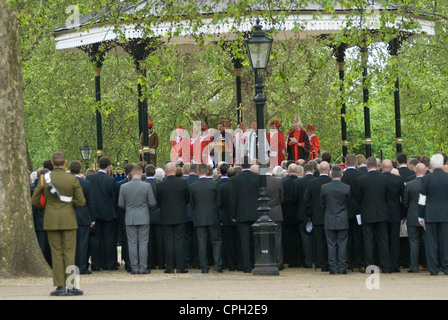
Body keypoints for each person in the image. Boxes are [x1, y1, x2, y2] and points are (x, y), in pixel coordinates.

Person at [31, 151, 86, 296]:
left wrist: (48, 206)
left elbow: (35, 200)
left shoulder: (44, 179)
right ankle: (72, 285)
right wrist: (69, 206)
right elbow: (81, 201)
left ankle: (60, 286)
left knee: (56, 253)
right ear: (65, 163)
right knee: (70, 252)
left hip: (51, 219)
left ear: (52, 163)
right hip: (69, 218)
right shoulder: (72, 179)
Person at [118, 164, 156, 274]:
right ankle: (143, 267)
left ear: (131, 173)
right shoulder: (146, 186)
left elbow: (121, 204)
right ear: (140, 173)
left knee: (132, 243)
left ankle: (134, 268)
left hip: (130, 217)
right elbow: (152, 202)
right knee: (143, 243)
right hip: (143, 216)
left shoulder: (124, 187)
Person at [356, 156, 392, 273]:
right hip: (382, 212)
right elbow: (387, 196)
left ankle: (369, 267)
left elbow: (358, 198)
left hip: (367, 213)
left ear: (367, 166)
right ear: (377, 166)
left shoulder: (361, 179)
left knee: (368, 240)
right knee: (383, 240)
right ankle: (385, 265)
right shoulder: (384, 178)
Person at [85, 156, 119, 271]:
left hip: (94, 213)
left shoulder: (89, 178)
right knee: (109, 239)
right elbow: (114, 198)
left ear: (98, 165)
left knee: (95, 240)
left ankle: (96, 263)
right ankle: (110, 264)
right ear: (108, 167)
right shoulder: (111, 180)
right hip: (108, 214)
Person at [156, 162, 190, 273]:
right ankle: (180, 267)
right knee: (179, 242)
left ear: (165, 171)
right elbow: (187, 199)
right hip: (180, 216)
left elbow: (159, 201)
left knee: (168, 242)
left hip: (166, 216)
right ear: (175, 170)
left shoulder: (160, 185)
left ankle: (170, 267)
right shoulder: (183, 183)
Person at [189, 163, 223, 273]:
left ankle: (204, 267)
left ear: (197, 172)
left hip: (199, 217)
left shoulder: (193, 186)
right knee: (216, 241)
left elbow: (192, 204)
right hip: (213, 216)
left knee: (201, 243)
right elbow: (219, 201)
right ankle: (218, 265)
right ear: (207, 172)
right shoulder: (214, 184)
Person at [418, 153, 448, 275]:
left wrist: (420, 215)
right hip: (445, 214)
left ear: (430, 164)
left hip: (430, 214)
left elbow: (422, 199)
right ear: (443, 164)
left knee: (431, 243)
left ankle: (433, 268)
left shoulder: (426, 178)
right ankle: (446, 267)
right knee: (445, 242)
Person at [230, 156, 260, 273]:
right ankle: (256, 262)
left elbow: (233, 199)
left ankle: (246, 265)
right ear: (250, 164)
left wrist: (233, 215)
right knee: (255, 239)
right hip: (256, 212)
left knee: (244, 240)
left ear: (241, 165)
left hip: (241, 214)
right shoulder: (257, 178)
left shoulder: (236, 179)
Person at [320, 165, 350, 274]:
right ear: (341, 174)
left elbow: (322, 204)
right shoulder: (346, 188)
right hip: (342, 218)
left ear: (331, 174)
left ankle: (332, 267)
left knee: (331, 244)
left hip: (329, 218)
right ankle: (342, 267)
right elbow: (349, 204)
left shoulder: (324, 188)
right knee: (342, 243)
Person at [69, 160, 96, 275]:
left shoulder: (67, 183)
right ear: (80, 170)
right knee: (83, 243)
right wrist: (93, 218)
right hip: (84, 216)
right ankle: (83, 266)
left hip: (69, 216)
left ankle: (72, 266)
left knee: (71, 243)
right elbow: (90, 202)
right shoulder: (86, 184)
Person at [303, 161, 332, 271]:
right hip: (330, 216)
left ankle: (320, 263)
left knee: (319, 241)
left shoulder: (312, 183)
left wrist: (310, 214)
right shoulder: (331, 182)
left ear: (318, 170)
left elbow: (306, 200)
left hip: (317, 216)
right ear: (328, 170)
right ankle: (330, 262)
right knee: (331, 241)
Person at [341, 154, 364, 272]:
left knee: (347, 237)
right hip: (358, 211)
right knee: (358, 237)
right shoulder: (361, 175)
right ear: (355, 163)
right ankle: (358, 262)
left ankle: (349, 263)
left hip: (346, 210)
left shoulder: (342, 176)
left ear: (345, 163)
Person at [381, 159, 405, 272]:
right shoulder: (398, 179)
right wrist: (403, 213)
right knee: (395, 240)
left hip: (381, 213)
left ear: (381, 167)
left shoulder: (378, 179)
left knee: (383, 239)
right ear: (391, 168)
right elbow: (404, 198)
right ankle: (394, 264)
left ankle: (385, 264)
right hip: (395, 212)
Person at [403, 163, 427, 273]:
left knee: (413, 242)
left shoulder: (409, 184)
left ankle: (414, 266)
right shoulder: (428, 184)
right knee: (427, 241)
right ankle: (428, 264)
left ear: (415, 172)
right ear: (425, 171)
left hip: (412, 215)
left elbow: (405, 202)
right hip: (426, 215)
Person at [292, 162, 316, 268]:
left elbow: (294, 200)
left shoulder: (297, 183)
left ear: (303, 172)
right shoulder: (316, 181)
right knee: (316, 238)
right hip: (316, 214)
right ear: (313, 171)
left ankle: (307, 260)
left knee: (304, 238)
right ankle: (316, 259)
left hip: (302, 214)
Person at [144, 164, 164, 270]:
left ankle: (150, 263)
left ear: (146, 173)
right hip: (158, 214)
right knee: (159, 240)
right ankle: (160, 263)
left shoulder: (143, 184)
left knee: (148, 241)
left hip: (146, 215)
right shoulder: (159, 184)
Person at [281, 163, 301, 267]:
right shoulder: (300, 182)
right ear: (297, 171)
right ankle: (300, 258)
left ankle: (291, 259)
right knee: (300, 237)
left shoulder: (283, 182)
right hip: (299, 213)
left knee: (289, 238)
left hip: (287, 213)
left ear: (287, 171)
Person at [266, 164, 285, 269]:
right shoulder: (278, 182)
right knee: (277, 238)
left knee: (264, 237)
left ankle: (266, 259)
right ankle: (278, 262)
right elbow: (282, 198)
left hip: (263, 212)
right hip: (276, 211)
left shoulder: (260, 182)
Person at [183, 163, 199, 269]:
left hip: (186, 213)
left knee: (187, 238)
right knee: (198, 239)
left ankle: (187, 261)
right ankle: (197, 261)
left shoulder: (184, 182)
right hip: (198, 213)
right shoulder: (199, 181)